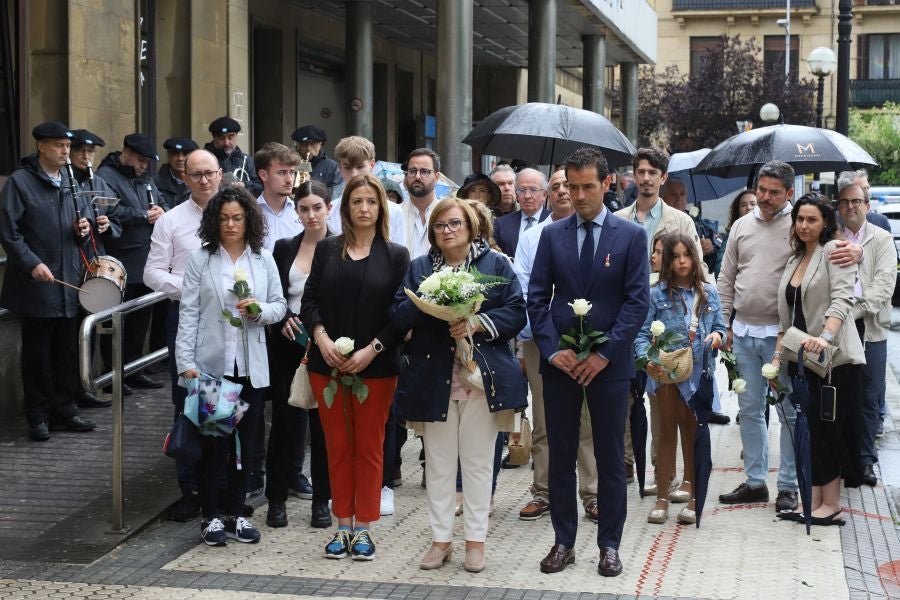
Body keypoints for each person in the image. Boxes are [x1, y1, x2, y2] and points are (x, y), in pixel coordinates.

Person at [528, 147, 649, 577]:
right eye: (571, 187)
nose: (577, 195)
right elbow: (537, 298)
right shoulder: (552, 234)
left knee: (610, 457)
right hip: (559, 364)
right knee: (560, 455)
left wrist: (603, 354)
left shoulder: (631, 236)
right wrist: (552, 350)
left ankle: (610, 545)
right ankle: (563, 542)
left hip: (610, 366)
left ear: (607, 183)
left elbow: (637, 304)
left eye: (587, 187)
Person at [717, 160, 862, 512]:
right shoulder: (740, 226)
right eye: (761, 190)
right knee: (749, 409)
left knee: (789, 413)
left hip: (785, 339)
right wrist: (724, 325)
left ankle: (787, 486)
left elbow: (833, 250)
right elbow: (726, 278)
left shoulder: (800, 226)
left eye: (774, 192)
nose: (765, 198)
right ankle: (754, 482)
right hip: (744, 333)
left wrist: (856, 249)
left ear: (789, 193)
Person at [392, 198, 526, 573]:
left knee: (479, 463)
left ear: (471, 227)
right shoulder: (419, 268)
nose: (447, 231)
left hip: (481, 379)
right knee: (437, 465)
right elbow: (398, 314)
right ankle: (440, 541)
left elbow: (516, 310)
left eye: (454, 224)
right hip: (434, 378)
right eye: (439, 226)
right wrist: (431, 300)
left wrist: (476, 322)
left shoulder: (495, 264)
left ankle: (475, 542)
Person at [300, 174, 410, 561]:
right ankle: (341, 524)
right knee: (335, 446)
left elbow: (401, 313)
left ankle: (364, 528)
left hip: (376, 368)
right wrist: (322, 338)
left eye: (371, 202)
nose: (364, 208)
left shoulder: (395, 255)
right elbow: (309, 300)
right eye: (356, 201)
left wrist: (373, 349)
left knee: (369, 447)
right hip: (325, 364)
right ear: (345, 207)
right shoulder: (328, 250)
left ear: (381, 208)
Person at [176, 186, 287, 547]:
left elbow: (279, 306)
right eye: (223, 218)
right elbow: (188, 312)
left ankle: (237, 513)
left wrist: (258, 310)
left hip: (250, 367)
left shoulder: (262, 258)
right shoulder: (201, 259)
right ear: (214, 221)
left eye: (237, 217)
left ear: (248, 220)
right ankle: (210, 517)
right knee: (214, 446)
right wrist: (186, 364)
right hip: (211, 367)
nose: (230, 224)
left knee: (248, 444)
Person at [615, 148, 709, 486]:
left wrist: (704, 309)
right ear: (634, 175)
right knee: (623, 394)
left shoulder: (680, 221)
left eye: (652, 172)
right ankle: (625, 462)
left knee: (660, 394)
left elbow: (696, 267)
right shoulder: (619, 219)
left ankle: (661, 468)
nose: (645, 178)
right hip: (624, 318)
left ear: (662, 178)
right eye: (640, 171)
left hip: (665, 318)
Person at [772, 193, 866, 525]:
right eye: (800, 219)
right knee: (807, 430)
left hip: (833, 359)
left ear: (825, 222)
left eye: (812, 219)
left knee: (829, 432)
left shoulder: (835, 252)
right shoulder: (794, 258)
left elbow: (842, 301)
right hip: (801, 359)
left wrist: (824, 338)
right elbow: (786, 319)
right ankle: (810, 500)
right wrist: (777, 359)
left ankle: (832, 504)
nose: (804, 225)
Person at [0, 121, 97, 441]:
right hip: (38, 284)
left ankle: (65, 409)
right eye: (59, 146)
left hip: (69, 280)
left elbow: (81, 228)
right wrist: (31, 264)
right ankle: (38, 416)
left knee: (67, 350)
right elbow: (9, 233)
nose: (65, 152)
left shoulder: (70, 181)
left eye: (67, 146)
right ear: (41, 146)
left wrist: (83, 231)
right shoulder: (20, 182)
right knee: (38, 354)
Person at [514, 168, 599, 523]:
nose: (565, 192)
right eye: (558, 186)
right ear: (548, 194)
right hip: (544, 341)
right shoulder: (534, 237)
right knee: (546, 419)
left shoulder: (599, 233)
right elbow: (526, 290)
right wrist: (545, 343)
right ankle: (543, 491)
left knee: (587, 421)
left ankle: (592, 493)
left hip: (589, 341)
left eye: (571, 185)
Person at [144, 149, 223, 521]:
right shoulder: (171, 221)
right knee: (191, 402)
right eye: (196, 175)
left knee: (232, 397)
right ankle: (191, 488)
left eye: (209, 173)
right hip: (188, 318)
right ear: (185, 178)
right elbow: (153, 273)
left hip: (231, 319)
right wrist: (192, 287)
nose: (204, 180)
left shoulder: (237, 215)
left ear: (220, 175)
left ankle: (227, 487)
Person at [635, 234, 727, 525]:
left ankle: (694, 496)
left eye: (686, 255)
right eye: (674, 256)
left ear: (695, 257)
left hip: (698, 374)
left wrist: (716, 337)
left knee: (693, 433)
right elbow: (641, 333)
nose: (681, 261)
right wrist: (647, 358)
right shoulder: (657, 293)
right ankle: (662, 497)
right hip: (665, 373)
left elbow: (722, 329)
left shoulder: (709, 293)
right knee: (664, 435)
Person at [266, 179, 333, 530]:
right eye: (304, 208)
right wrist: (285, 318)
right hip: (287, 344)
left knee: (324, 428)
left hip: (326, 345)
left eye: (316, 208)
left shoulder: (340, 247)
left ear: (329, 209)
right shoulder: (283, 247)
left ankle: (322, 501)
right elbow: (276, 295)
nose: (310, 215)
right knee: (284, 424)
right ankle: (275, 499)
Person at [835, 182, 895, 487]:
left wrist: (849, 312)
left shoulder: (881, 239)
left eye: (856, 201)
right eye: (844, 201)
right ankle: (842, 459)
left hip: (868, 326)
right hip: (836, 327)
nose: (850, 206)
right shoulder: (831, 239)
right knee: (842, 395)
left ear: (867, 206)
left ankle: (866, 461)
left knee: (870, 397)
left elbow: (884, 285)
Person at [97, 133, 168, 391]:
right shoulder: (106, 176)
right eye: (140, 160)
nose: (144, 166)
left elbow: (162, 202)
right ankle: (113, 375)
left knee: (140, 320)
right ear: (125, 153)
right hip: (121, 259)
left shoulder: (145, 178)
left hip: (147, 259)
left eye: (147, 162)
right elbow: (109, 210)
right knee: (117, 322)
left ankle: (135, 369)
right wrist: (143, 215)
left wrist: (162, 211)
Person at [324, 136, 406, 245]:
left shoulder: (394, 211)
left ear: (372, 165)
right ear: (339, 167)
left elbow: (400, 256)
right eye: (348, 167)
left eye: (360, 167)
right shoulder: (330, 211)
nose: (354, 174)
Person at [661, 178, 721, 274]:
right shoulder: (657, 221)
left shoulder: (699, 224)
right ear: (662, 197)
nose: (679, 198)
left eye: (682, 194)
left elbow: (715, 261)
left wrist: (710, 249)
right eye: (673, 194)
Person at [254, 142, 303, 251]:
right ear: (263, 175)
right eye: (282, 173)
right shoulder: (249, 213)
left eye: (292, 172)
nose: (290, 179)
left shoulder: (301, 213)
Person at [493, 168, 550, 258]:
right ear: (517, 195)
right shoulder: (501, 224)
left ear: (544, 195)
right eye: (522, 190)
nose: (527, 196)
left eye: (533, 190)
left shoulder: (554, 221)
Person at [205, 116, 261, 195]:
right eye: (221, 138)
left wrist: (245, 185)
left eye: (230, 137)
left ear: (236, 136)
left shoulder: (246, 160)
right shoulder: (203, 160)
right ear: (214, 138)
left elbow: (260, 186)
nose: (226, 143)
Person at [714, 189, 757, 277]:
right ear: (738, 211)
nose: (748, 207)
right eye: (743, 205)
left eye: (753, 204)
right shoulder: (732, 234)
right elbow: (720, 268)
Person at [291, 125, 342, 192]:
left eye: (312, 143)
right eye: (304, 144)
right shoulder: (292, 164)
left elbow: (337, 193)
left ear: (321, 143)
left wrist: (311, 184)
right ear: (298, 145)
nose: (308, 148)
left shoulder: (332, 166)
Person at [154, 137, 198, 208]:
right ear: (169, 155)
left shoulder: (200, 181)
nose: (180, 158)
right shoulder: (155, 183)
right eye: (175, 153)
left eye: (185, 154)